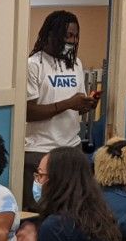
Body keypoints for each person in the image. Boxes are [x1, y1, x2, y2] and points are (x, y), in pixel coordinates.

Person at [25, 10, 97, 184]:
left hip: (72, 147)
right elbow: (29, 112)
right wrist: (69, 103)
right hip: (40, 149)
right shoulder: (34, 65)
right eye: (67, 35)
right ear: (50, 35)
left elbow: (76, 109)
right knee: (42, 208)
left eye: (75, 36)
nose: (72, 41)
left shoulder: (75, 63)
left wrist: (87, 104)